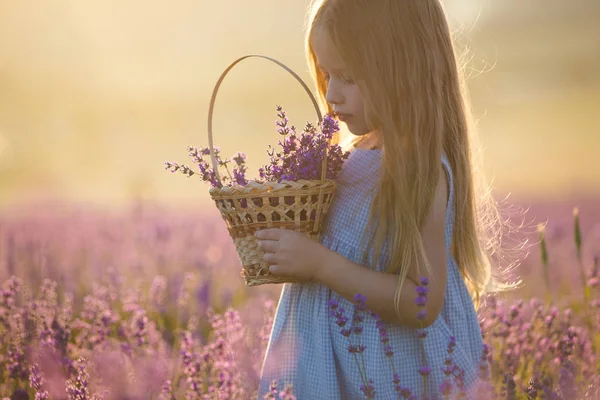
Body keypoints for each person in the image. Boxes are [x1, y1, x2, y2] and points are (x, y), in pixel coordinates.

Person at [255, 0, 515, 398]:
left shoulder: (417, 170)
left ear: (402, 74)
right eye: (326, 74)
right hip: (324, 369)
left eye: (348, 77)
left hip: (386, 377)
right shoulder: (350, 159)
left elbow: (421, 303)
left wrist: (319, 263)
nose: (332, 94)